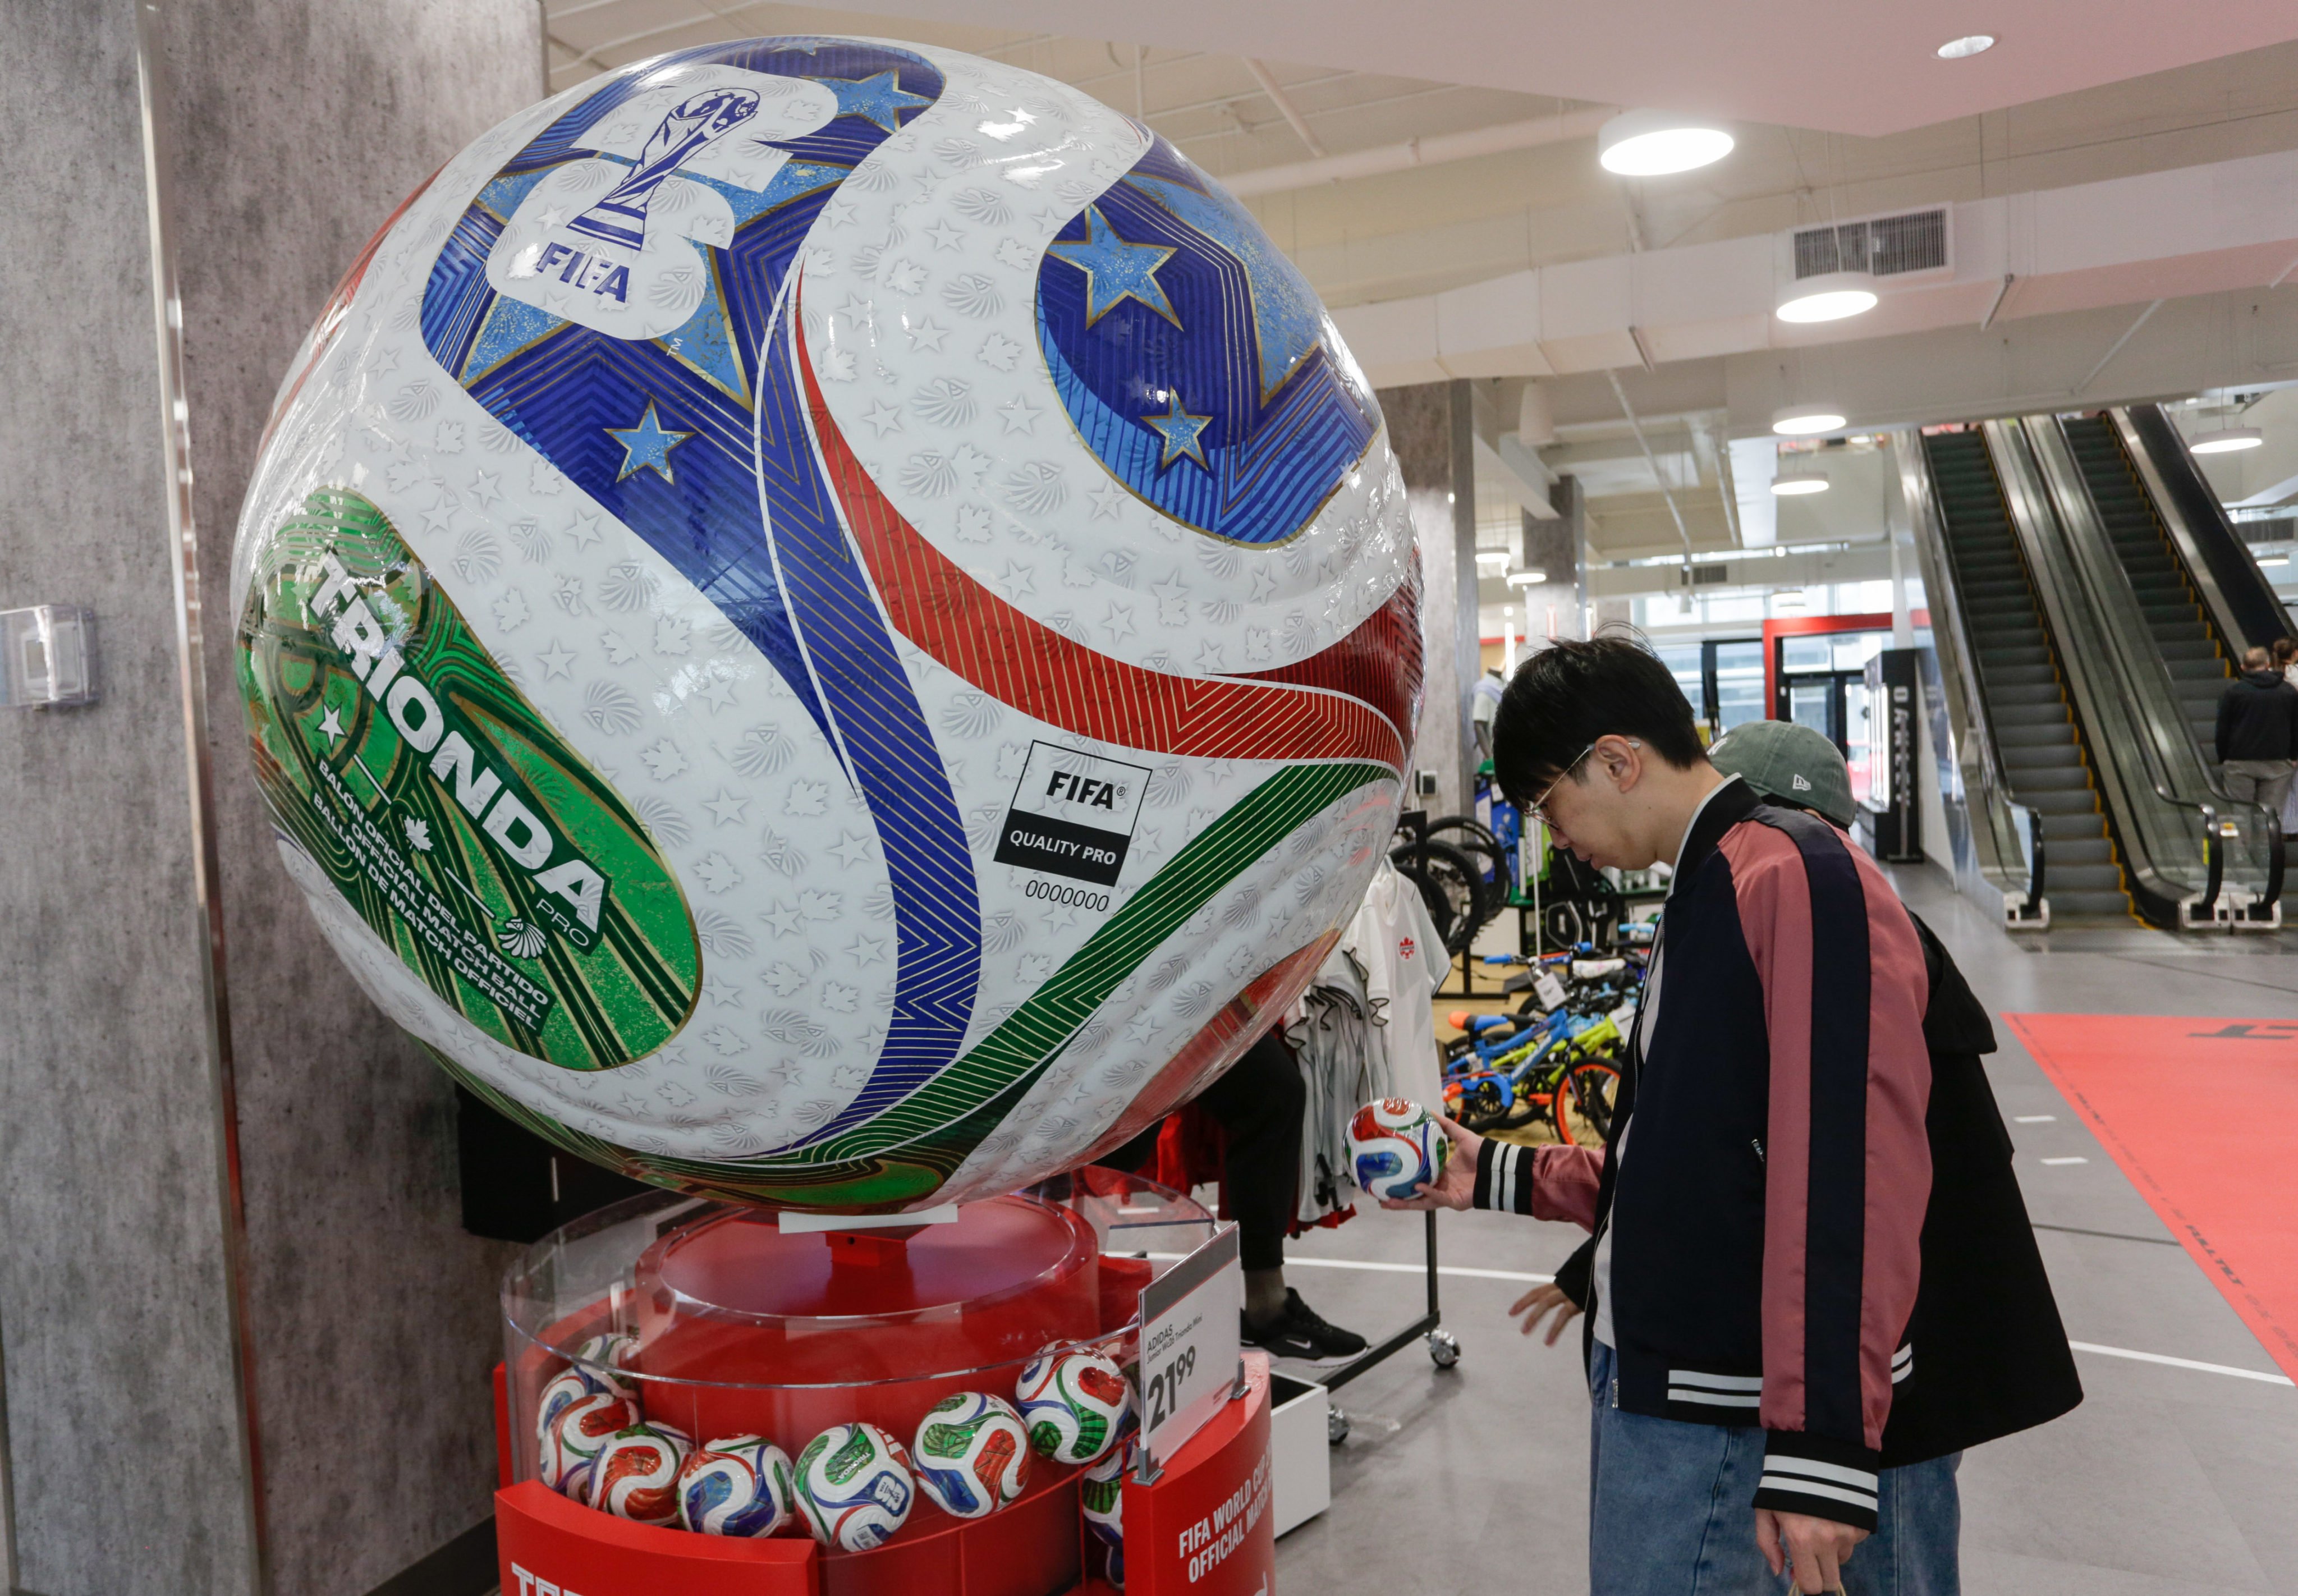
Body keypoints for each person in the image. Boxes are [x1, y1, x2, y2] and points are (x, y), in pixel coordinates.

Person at [1387, 639, 2080, 1596]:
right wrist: (1491, 1172)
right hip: (1689, 1392)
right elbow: (1697, 1158)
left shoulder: (1789, 874)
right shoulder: (1717, 880)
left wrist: (1821, 1444)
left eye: (1549, 802)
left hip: (1727, 1413)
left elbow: (1846, 1167)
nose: (1553, 833)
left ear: (1618, 760)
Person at [1095, 1026, 1368, 1365]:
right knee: (1111, 1147)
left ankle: (1267, 1307)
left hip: (1184, 990)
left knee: (1273, 1093)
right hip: (1106, 1006)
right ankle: (1058, 1304)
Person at [2215, 645, 2298, 813]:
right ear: (2268, 664)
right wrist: (2294, 755)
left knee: (2240, 814)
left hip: (2240, 760)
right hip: (2279, 760)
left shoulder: (2233, 692)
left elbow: (2223, 729)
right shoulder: (2288, 691)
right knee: (2271, 816)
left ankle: (2242, 840)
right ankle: (2269, 840)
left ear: (2243, 667)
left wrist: (2224, 758)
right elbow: (2296, 726)